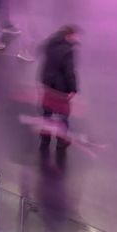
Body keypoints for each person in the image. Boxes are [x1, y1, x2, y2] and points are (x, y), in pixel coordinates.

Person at [38, 25, 79, 160]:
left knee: (47, 113)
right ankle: (61, 141)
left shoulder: (50, 44)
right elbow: (69, 72)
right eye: (75, 36)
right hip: (61, 88)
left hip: (48, 85)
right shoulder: (67, 51)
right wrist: (73, 88)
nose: (76, 39)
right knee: (63, 115)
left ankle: (45, 140)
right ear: (69, 35)